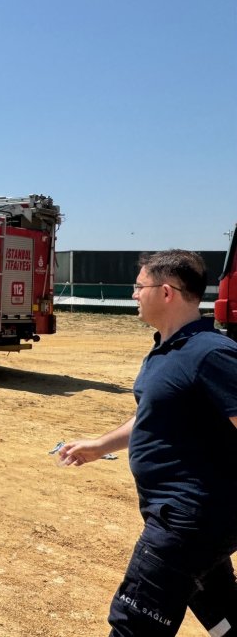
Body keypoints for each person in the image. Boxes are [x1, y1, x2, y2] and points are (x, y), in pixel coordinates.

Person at [58, 249, 237, 636]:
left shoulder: (212, 353)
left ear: (167, 292)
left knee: (134, 624)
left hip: (189, 520)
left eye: (140, 286)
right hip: (189, 518)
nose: (134, 294)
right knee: (221, 612)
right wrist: (98, 446)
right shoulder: (168, 350)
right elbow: (150, 416)